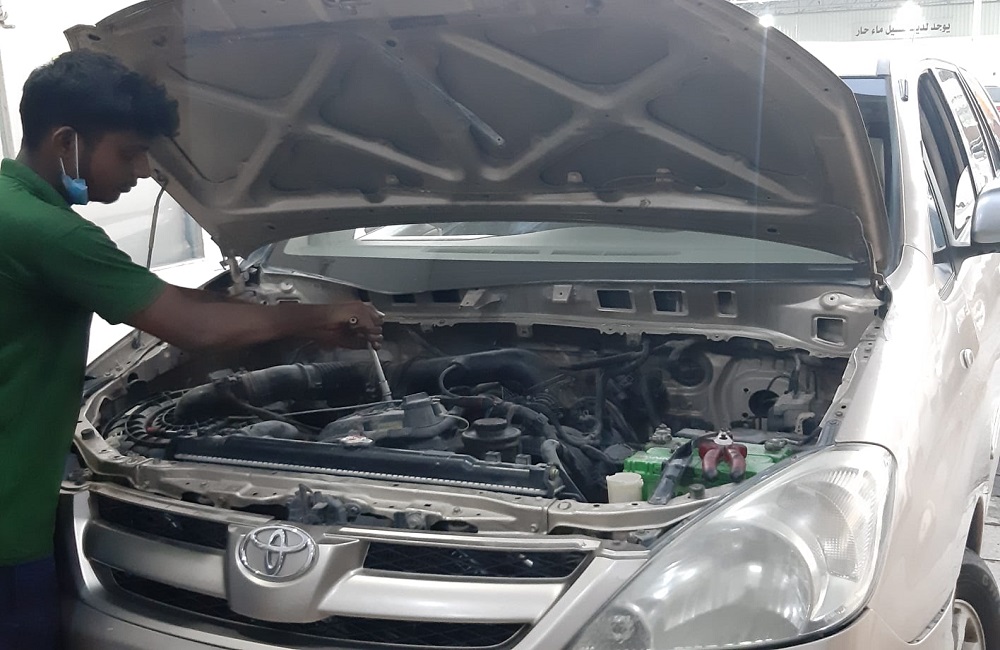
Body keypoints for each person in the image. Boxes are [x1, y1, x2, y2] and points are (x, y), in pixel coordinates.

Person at [0, 51, 384, 650]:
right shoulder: (52, 233)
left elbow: (160, 298)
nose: (143, 171)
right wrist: (320, 315)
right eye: (130, 152)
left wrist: (274, 313)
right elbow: (193, 330)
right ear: (66, 142)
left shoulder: (13, 208)